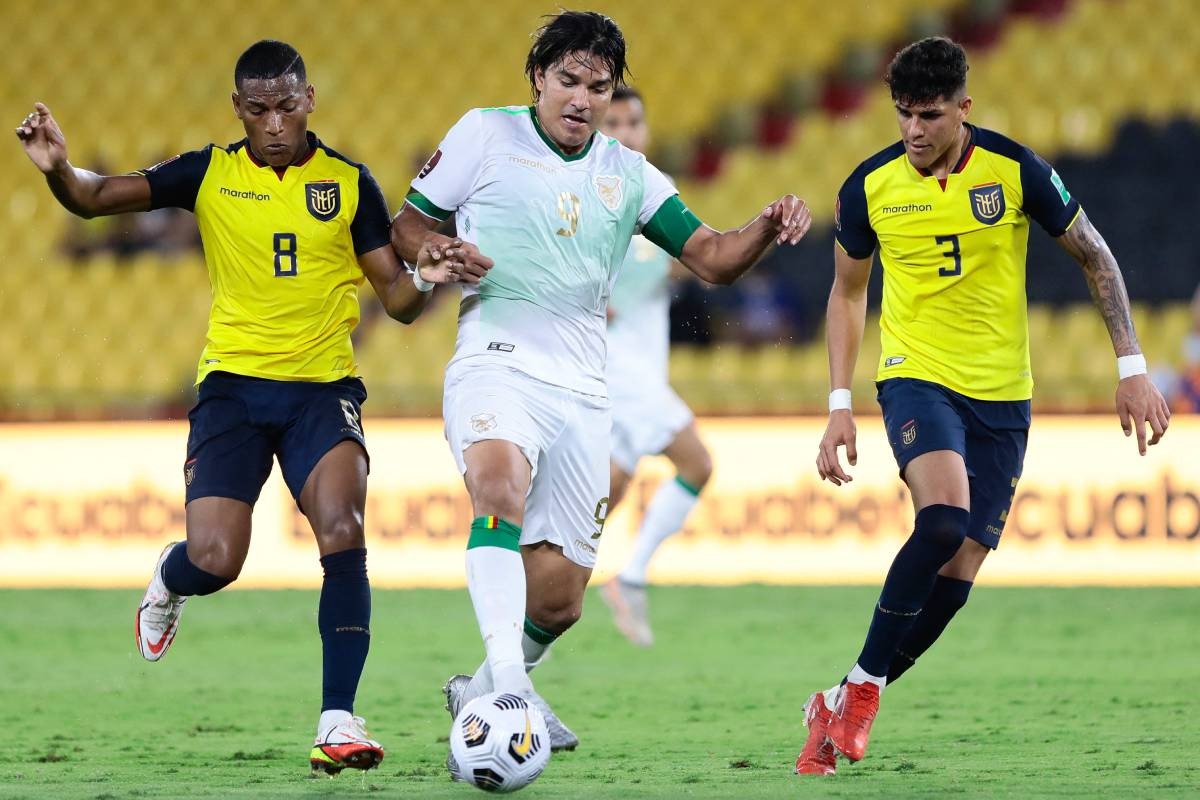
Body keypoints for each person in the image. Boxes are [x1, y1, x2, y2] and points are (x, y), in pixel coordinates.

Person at [15, 39, 480, 776]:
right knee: (216, 559)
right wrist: (58, 172)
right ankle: (171, 579)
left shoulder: (348, 183)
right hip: (232, 389)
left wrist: (423, 276)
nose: (274, 123)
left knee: (343, 528)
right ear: (238, 108)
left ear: (310, 100)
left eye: (287, 106)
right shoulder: (209, 173)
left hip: (322, 389)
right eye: (259, 109)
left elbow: (395, 301)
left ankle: (337, 719)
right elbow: (95, 199)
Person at [390, 10, 811, 772]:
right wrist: (437, 249)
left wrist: (765, 223)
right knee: (497, 488)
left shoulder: (630, 174)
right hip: (496, 358)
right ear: (538, 79)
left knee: (559, 600)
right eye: (568, 81)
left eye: (599, 86)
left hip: (585, 387)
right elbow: (408, 224)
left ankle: (478, 692)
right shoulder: (484, 134)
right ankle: (512, 694)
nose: (582, 99)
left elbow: (713, 258)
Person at [795, 36, 1171, 776]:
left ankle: (840, 696)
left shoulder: (1014, 168)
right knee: (942, 520)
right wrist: (838, 403)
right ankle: (863, 695)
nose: (914, 130)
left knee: (959, 577)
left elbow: (1094, 253)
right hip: (916, 376)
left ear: (964, 108)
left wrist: (1131, 366)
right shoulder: (867, 187)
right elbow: (846, 291)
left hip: (1003, 393)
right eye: (903, 114)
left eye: (930, 115)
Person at [595, 87, 713, 648]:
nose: (625, 132)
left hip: (640, 362)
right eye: (613, 122)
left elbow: (670, 263)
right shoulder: (587, 192)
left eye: (633, 121)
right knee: (697, 462)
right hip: (616, 363)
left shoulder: (653, 189)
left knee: (609, 489)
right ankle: (632, 576)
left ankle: (540, 583)